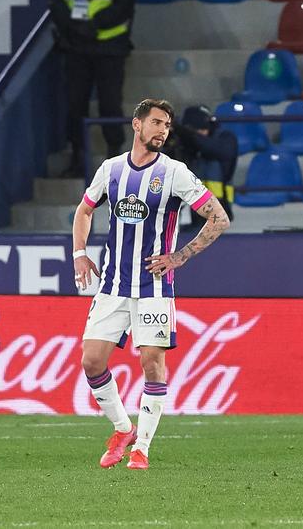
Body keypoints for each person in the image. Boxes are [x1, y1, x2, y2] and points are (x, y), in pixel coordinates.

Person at [72, 98, 230, 470]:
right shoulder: (111, 169)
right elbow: (84, 209)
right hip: (112, 285)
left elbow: (219, 218)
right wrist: (79, 253)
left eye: (167, 126)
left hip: (154, 288)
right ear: (137, 125)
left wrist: (180, 256)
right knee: (92, 361)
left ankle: (142, 447)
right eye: (156, 122)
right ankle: (122, 429)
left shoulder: (175, 172)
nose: (162, 130)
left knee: (151, 362)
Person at [49, 0, 139, 177]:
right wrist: (75, 28)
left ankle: (117, 159)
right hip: (76, 47)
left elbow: (124, 5)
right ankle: (78, 157)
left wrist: (95, 24)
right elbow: (56, 3)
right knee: (75, 105)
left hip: (110, 47)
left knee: (110, 103)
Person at [167, 104, 238, 234]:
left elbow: (215, 149)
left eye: (203, 128)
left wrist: (187, 134)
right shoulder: (181, 143)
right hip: (185, 213)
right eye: (196, 129)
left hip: (217, 211)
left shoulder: (226, 138)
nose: (202, 132)